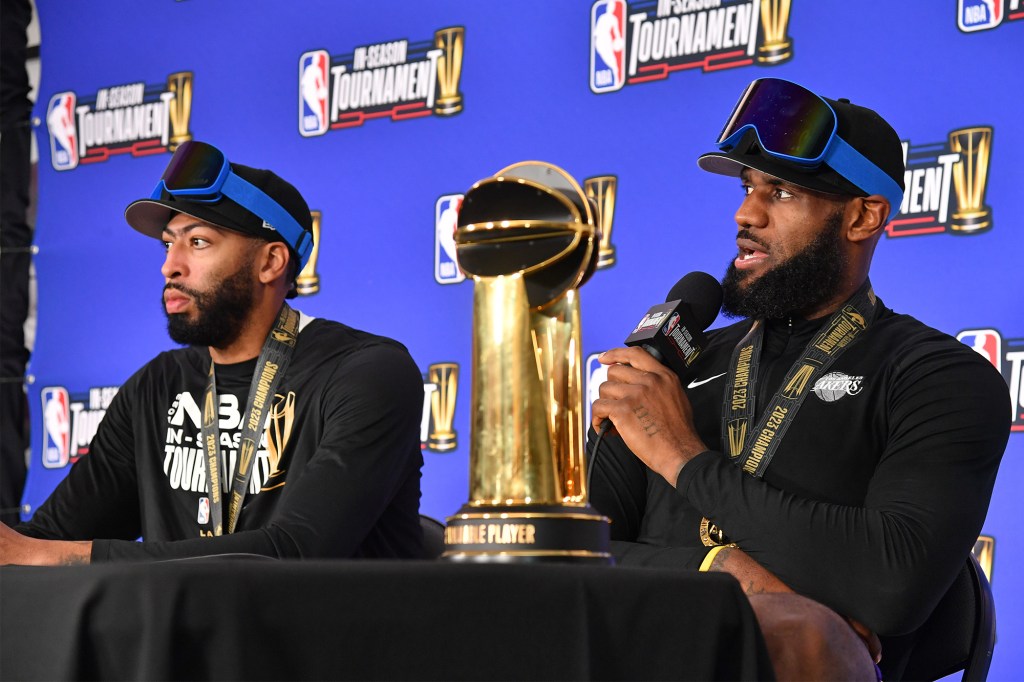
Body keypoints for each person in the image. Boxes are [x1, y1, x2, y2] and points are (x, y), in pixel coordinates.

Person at [588, 78, 1010, 680]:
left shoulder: (939, 377)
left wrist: (682, 456)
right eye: (747, 186)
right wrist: (723, 571)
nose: (745, 213)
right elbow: (566, 563)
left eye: (781, 191)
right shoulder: (673, 368)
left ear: (863, 216)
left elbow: (890, 586)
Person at [0, 141, 424, 564]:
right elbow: (44, 540)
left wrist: (62, 557)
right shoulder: (157, 387)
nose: (170, 266)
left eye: (198, 242)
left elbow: (295, 552)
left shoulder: (368, 373)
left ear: (271, 262)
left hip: (321, 630)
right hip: (187, 630)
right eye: (168, 244)